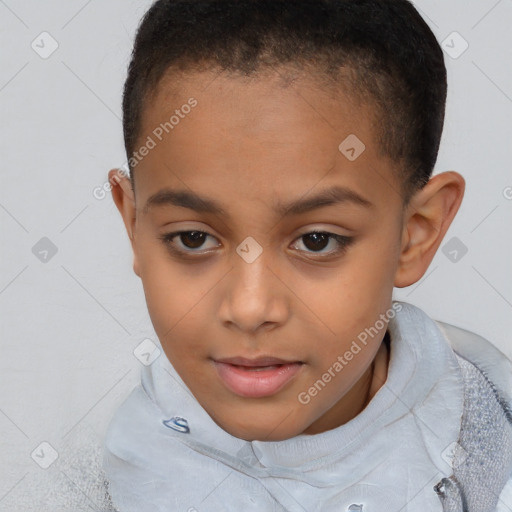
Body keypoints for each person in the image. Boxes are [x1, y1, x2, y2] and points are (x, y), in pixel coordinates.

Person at [100, 0, 512, 510]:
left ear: (416, 234)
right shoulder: (123, 469)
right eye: (193, 238)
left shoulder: (484, 453)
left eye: (317, 240)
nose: (250, 309)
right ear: (135, 227)